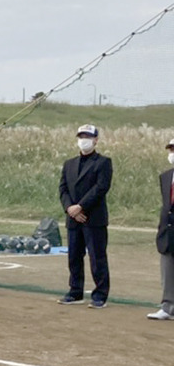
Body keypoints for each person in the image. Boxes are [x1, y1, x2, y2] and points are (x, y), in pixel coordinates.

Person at [58, 125, 113, 308]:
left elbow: (101, 188)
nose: (84, 139)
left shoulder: (103, 162)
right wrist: (70, 209)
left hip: (93, 217)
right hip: (73, 218)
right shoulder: (69, 163)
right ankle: (75, 291)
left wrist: (81, 207)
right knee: (74, 256)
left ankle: (100, 294)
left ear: (96, 139)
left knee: (97, 257)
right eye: (81, 136)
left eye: (88, 136)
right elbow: (63, 189)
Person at [148, 139, 174, 321]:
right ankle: (167, 306)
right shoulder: (165, 176)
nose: (172, 153)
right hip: (167, 231)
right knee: (167, 269)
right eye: (171, 149)